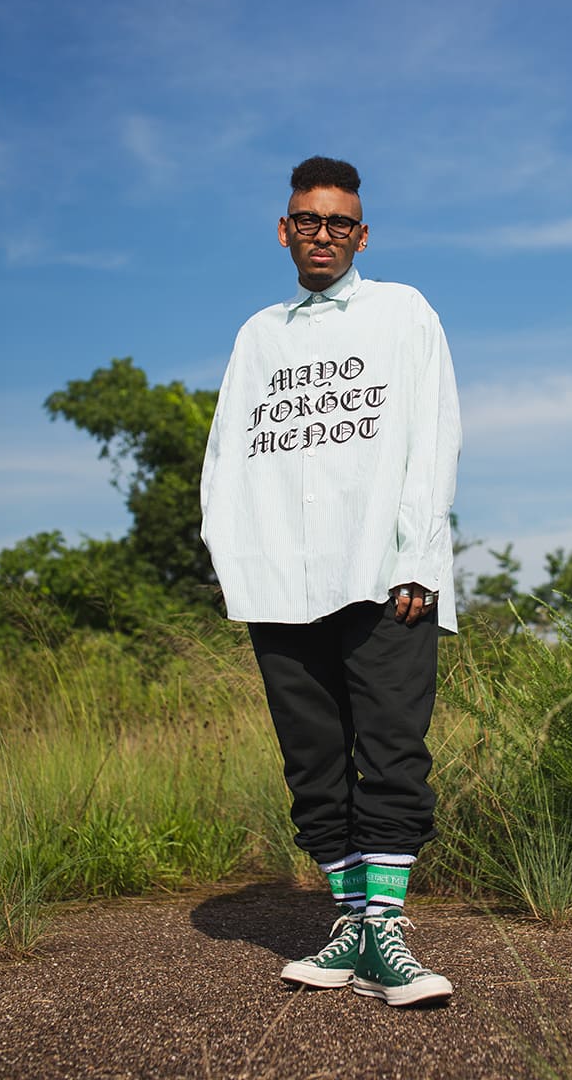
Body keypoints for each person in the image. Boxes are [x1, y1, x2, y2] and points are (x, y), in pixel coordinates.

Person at [200, 156, 461, 1007]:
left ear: (362, 234)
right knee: (311, 763)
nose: (323, 235)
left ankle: (385, 933)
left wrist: (419, 554)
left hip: (384, 573)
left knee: (391, 749)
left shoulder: (402, 311)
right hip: (280, 574)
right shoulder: (259, 335)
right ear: (284, 230)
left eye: (339, 222)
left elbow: (434, 434)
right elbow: (227, 454)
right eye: (308, 221)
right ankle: (354, 926)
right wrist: (235, 559)